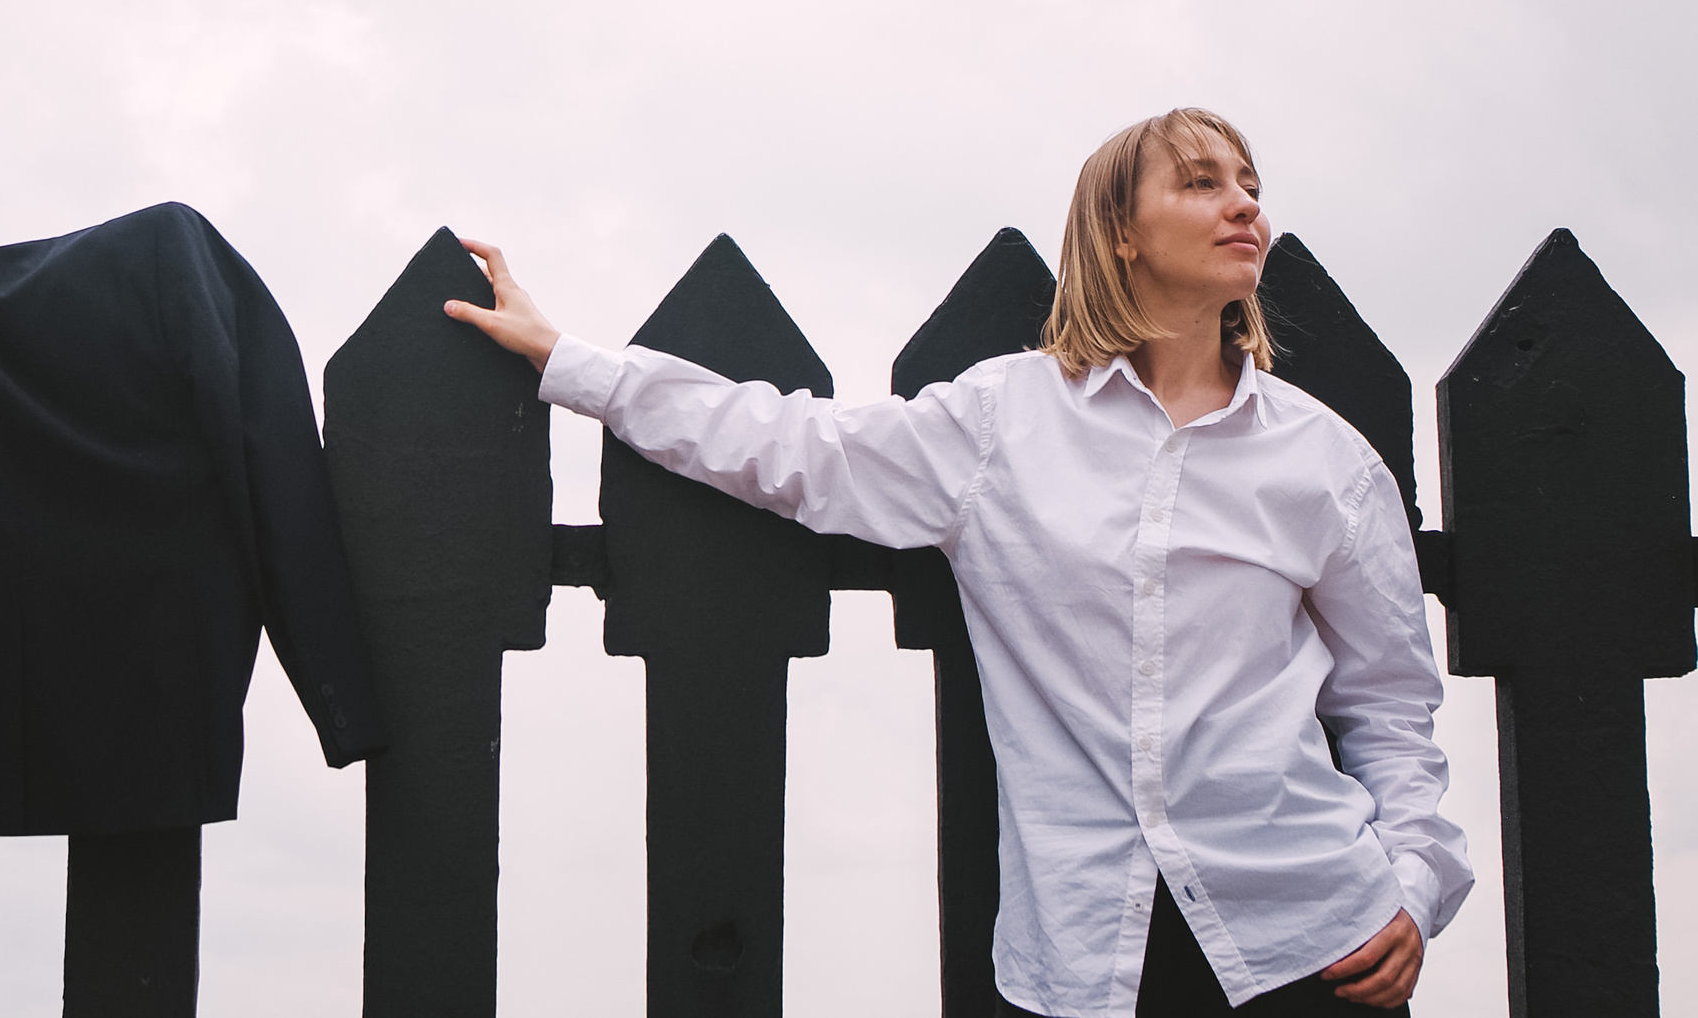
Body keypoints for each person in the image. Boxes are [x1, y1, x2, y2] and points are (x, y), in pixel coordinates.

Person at [443, 108, 1470, 1016]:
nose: (1243, 204)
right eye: (1202, 182)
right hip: (1081, 961)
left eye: (1250, 184)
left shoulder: (1324, 461)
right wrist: (568, 360)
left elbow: (1388, 701)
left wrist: (1413, 885)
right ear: (1120, 230)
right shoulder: (1001, 422)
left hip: (1313, 945)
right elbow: (796, 446)